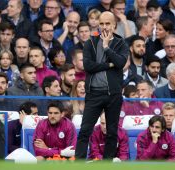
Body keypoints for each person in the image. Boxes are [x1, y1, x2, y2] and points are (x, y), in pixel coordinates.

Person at [75, 11, 129, 160]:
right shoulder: (90, 42)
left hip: (113, 94)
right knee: (85, 130)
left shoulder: (121, 43)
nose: (104, 27)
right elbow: (88, 66)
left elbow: (120, 63)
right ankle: (78, 164)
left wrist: (106, 47)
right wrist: (109, 64)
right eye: (102, 24)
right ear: (98, 25)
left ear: (114, 25)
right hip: (94, 94)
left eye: (108, 24)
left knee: (112, 132)